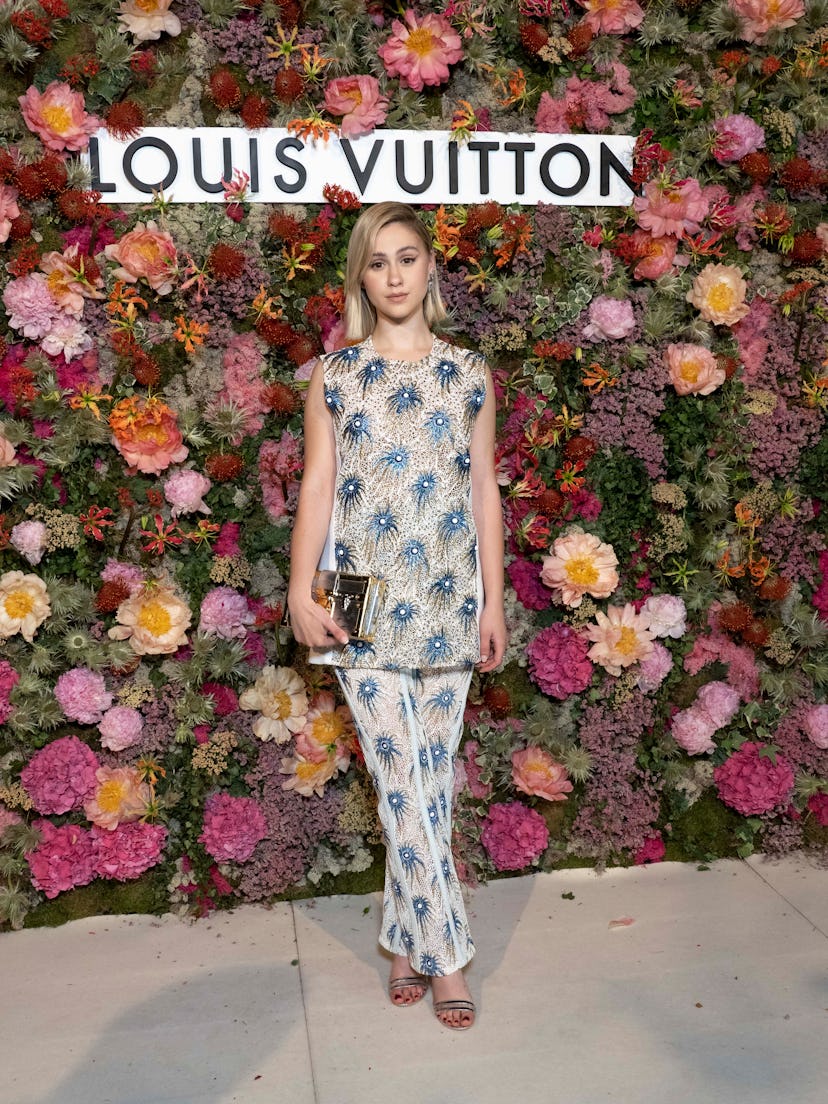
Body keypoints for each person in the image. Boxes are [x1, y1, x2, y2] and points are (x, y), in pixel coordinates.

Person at [288, 201, 506, 1031]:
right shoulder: (335, 376)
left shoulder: (470, 371)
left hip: (452, 589)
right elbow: (316, 484)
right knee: (399, 778)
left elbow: (483, 486)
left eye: (407, 258)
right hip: (354, 594)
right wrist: (299, 590)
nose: (393, 276)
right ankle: (450, 955)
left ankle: (402, 938)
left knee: (428, 785)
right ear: (360, 278)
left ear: (429, 268)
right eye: (377, 264)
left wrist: (495, 595)